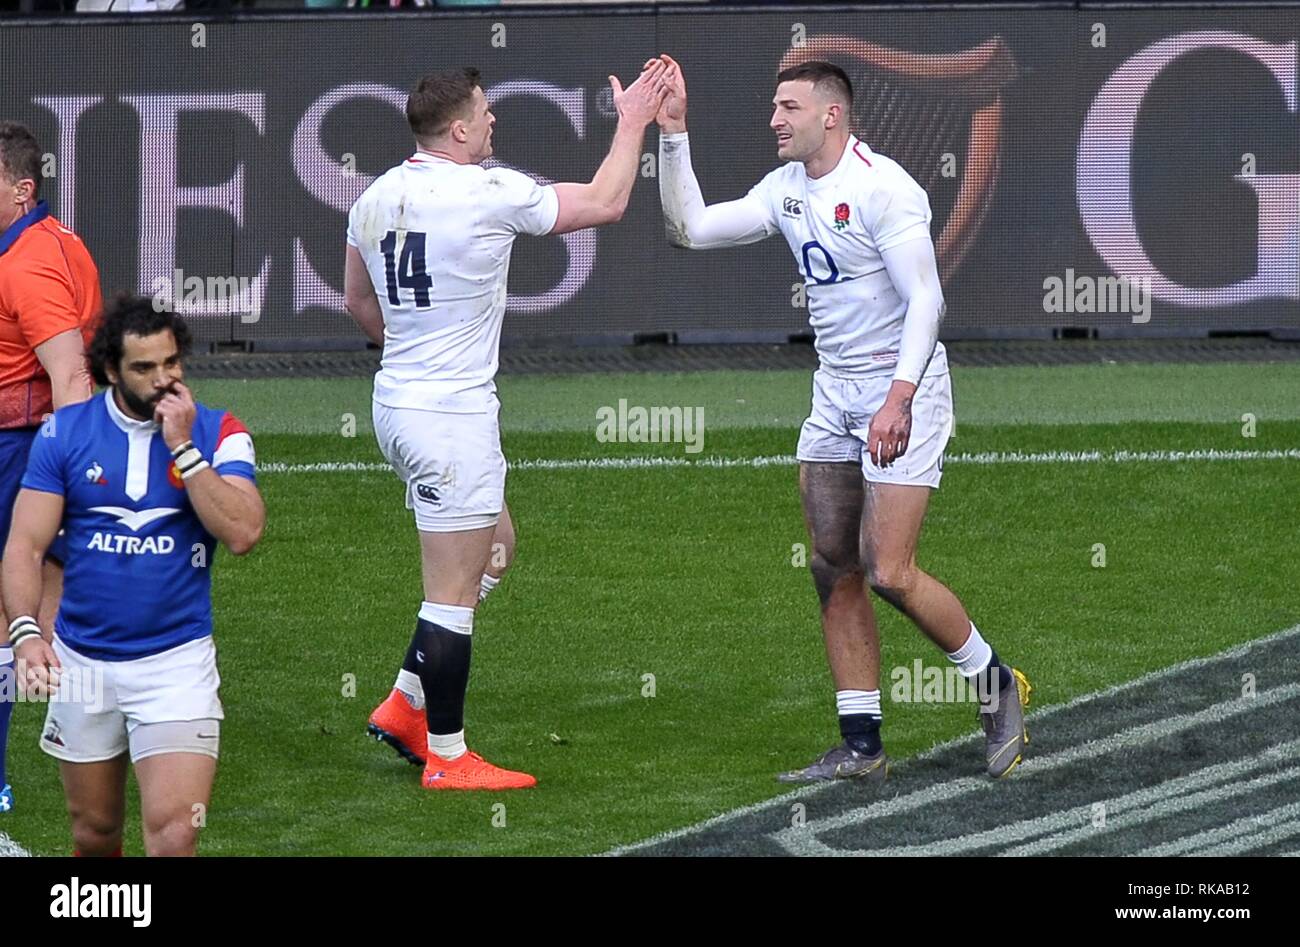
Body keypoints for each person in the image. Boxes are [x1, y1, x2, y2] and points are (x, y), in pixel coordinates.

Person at [653, 55, 1031, 781]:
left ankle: (996, 684)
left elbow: (927, 300)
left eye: (787, 107)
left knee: (890, 568)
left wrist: (899, 397)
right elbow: (690, 229)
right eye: (774, 107)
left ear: (831, 114)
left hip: (903, 391)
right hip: (835, 395)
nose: (773, 120)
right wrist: (674, 135)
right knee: (833, 564)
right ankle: (863, 746)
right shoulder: (786, 189)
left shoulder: (884, 189)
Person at [345, 62, 668, 790]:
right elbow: (607, 202)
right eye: (485, 114)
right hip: (450, 419)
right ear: (458, 129)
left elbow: (357, 301)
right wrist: (634, 120)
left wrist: (415, 352)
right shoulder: (489, 191)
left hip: (396, 404)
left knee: (498, 545)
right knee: (451, 593)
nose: (494, 123)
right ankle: (451, 756)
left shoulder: (373, 197)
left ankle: (405, 701)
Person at [2, 297, 265, 855]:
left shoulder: (221, 432)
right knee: (94, 835)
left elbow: (242, 532)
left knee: (175, 833)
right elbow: (25, 546)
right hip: (83, 665)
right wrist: (25, 634)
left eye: (171, 363)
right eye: (145, 368)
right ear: (111, 371)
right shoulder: (65, 435)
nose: (164, 379)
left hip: (176, 665)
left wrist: (185, 450)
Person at [0, 121, 100, 814]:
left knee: (20, 609)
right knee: (42, 606)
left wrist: (65, 474)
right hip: (32, 442)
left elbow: (69, 375)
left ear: (21, 189)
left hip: (21, 447)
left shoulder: (28, 263)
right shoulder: (56, 241)